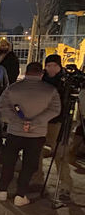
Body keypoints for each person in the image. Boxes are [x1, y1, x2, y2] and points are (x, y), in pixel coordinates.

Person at [0, 62, 60, 207]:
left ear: (26, 72)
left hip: (15, 131)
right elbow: (55, 110)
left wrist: (18, 120)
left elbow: (1, 106)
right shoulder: (50, 90)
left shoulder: (13, 88)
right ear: (41, 74)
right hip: (37, 134)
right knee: (29, 165)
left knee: (9, 162)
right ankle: (20, 195)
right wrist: (36, 122)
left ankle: (2, 190)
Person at [35, 54, 73, 197]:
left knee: (60, 154)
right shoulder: (41, 78)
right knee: (36, 150)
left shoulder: (65, 81)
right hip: (41, 121)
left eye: (54, 66)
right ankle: (37, 179)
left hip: (58, 122)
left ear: (59, 66)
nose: (51, 68)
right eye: (48, 65)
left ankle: (65, 185)